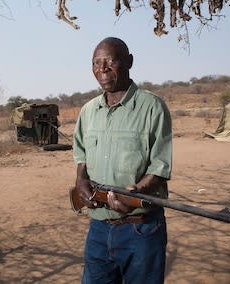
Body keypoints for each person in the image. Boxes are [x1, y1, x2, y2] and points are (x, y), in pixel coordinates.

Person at [72, 37, 173, 284]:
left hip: (141, 230)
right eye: (96, 63)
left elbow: (159, 167)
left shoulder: (153, 107)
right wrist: (80, 181)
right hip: (98, 229)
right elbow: (81, 155)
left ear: (128, 62)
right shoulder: (88, 111)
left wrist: (134, 193)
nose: (102, 70)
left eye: (110, 61)